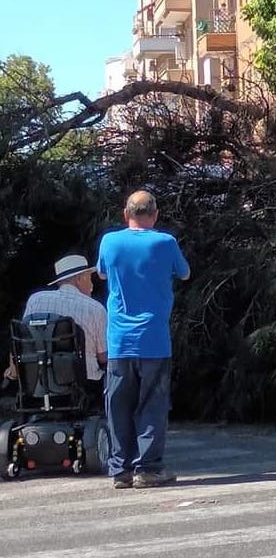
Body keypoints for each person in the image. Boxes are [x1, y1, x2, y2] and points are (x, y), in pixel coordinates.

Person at [97, 190, 190, 489]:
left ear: (126, 214)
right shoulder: (165, 242)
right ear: (155, 215)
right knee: (152, 403)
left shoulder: (109, 241)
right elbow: (184, 273)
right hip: (153, 338)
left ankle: (120, 470)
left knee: (118, 404)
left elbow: (100, 273)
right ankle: (148, 468)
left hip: (119, 341)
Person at [22, 254, 108, 396]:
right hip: (83, 386)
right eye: (89, 278)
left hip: (37, 383)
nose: (92, 285)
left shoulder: (35, 300)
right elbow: (103, 357)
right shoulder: (95, 308)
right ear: (79, 279)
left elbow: (24, 337)